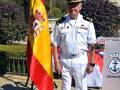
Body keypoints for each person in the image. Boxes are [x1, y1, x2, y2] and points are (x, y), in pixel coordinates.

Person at [52, 0, 96, 90]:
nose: (73, 8)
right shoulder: (60, 23)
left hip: (80, 59)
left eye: (75, 5)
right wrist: (56, 62)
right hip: (64, 60)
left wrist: (91, 63)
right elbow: (55, 44)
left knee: (81, 86)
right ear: (68, 7)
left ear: (80, 7)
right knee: (65, 87)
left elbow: (92, 45)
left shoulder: (88, 23)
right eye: (70, 5)